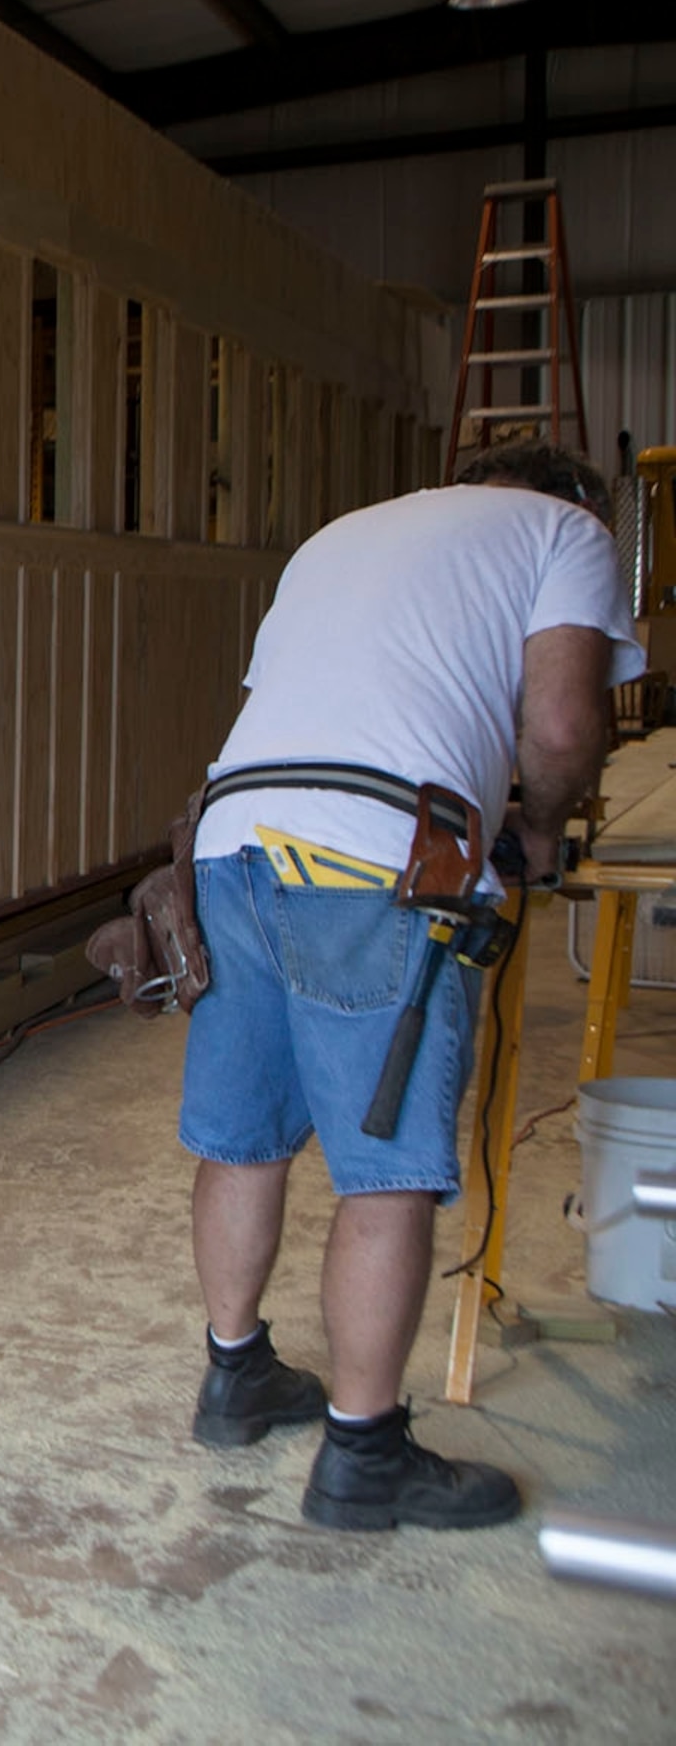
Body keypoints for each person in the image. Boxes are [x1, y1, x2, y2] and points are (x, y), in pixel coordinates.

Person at [177, 440, 638, 1531]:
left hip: (226, 841)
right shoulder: (566, 531)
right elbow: (566, 728)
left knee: (243, 1135)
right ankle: (364, 1452)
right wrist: (535, 823)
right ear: (571, 497)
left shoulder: (341, 533)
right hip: (383, 852)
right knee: (384, 1171)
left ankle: (235, 1373)